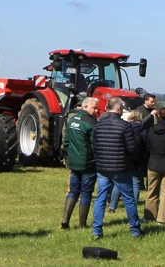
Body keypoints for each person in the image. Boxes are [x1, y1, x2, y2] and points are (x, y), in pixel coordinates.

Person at [91, 96, 142, 239]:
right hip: (120, 167)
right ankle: (135, 230)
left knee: (100, 198)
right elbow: (131, 148)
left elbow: (94, 144)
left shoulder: (98, 125)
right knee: (128, 199)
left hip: (102, 167)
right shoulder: (124, 126)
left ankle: (96, 230)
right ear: (119, 108)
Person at [63, 96, 99, 230]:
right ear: (85, 107)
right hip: (87, 163)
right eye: (94, 108)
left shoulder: (71, 120)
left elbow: (66, 142)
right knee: (86, 193)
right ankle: (82, 224)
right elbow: (95, 144)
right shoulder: (91, 123)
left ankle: (65, 220)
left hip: (73, 162)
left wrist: (70, 156)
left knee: (73, 191)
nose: (95, 111)